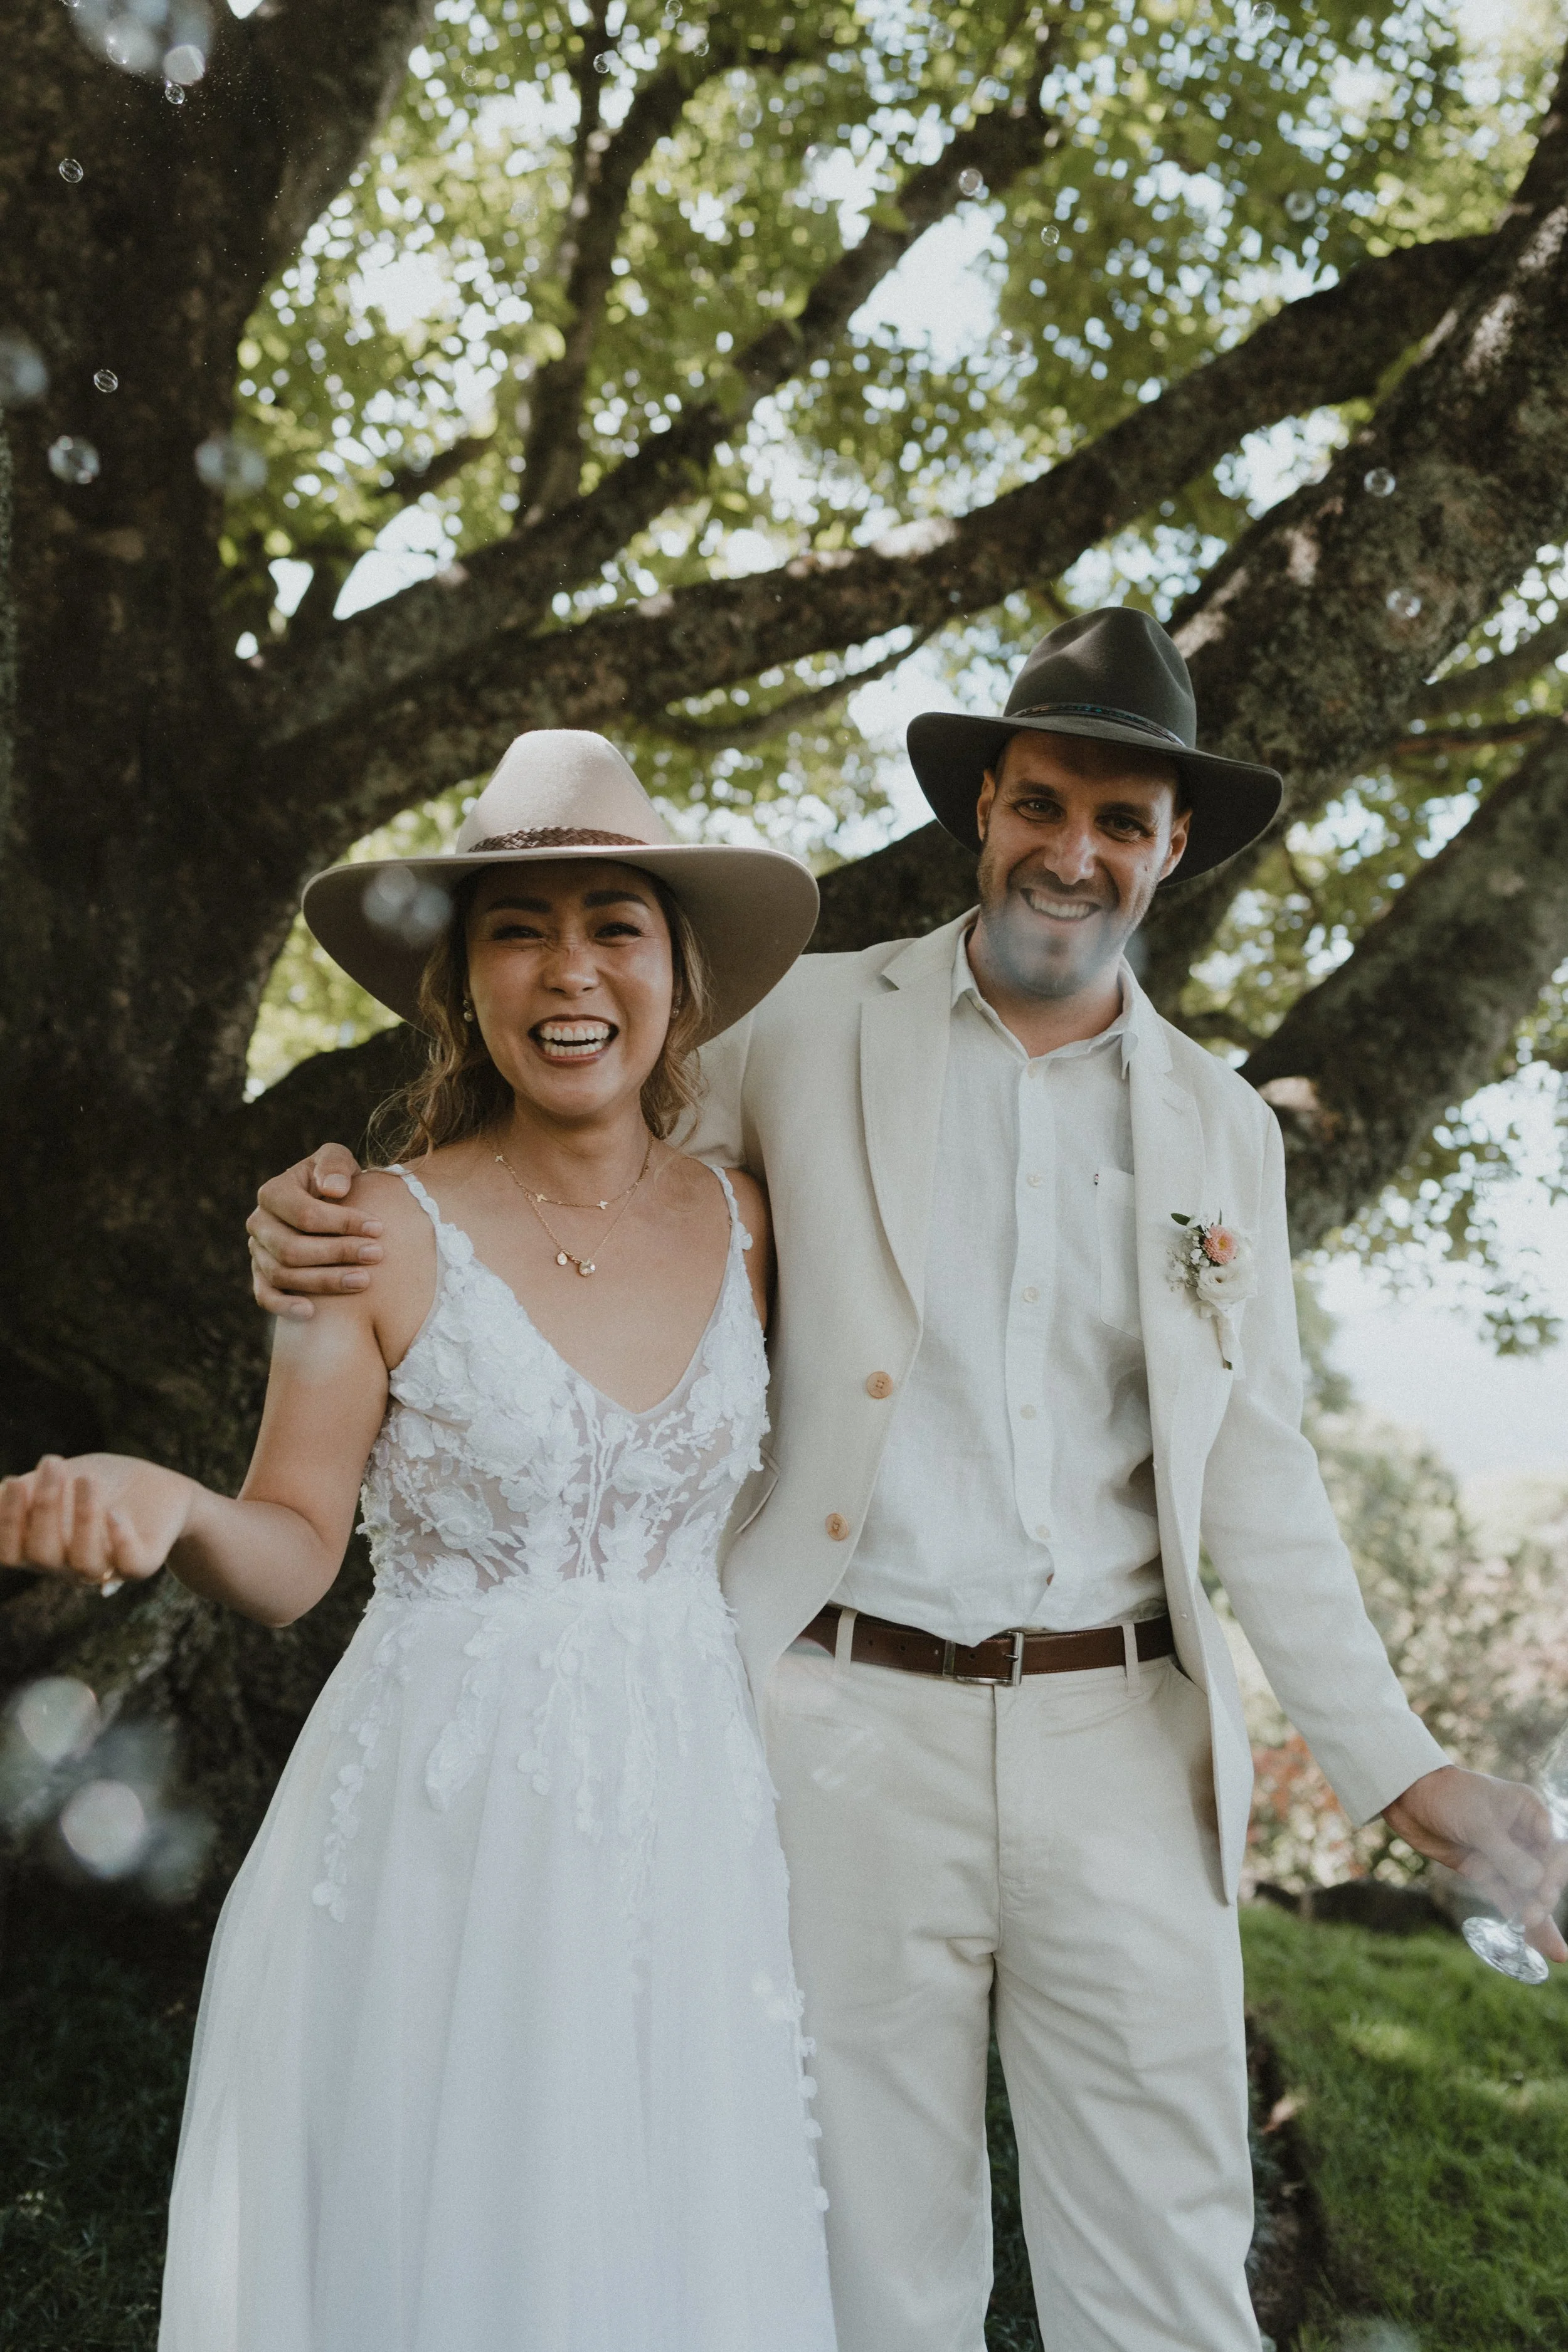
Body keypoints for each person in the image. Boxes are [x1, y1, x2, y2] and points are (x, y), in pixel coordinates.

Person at [249, 611, 1568, 2352]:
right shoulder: (794, 1030)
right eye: (1042, 802)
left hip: (1125, 1742)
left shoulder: (1217, 1127)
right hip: (835, 1724)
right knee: (872, 2269)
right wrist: (338, 1210)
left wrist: (1405, 1772)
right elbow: (567, 1175)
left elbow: (1262, 1484)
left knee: (1171, 2274)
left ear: (1171, 849)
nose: (1071, 850)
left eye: (1119, 820)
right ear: (983, 811)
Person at [0, 733, 837, 2352]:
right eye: (518, 928)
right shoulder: (368, 1223)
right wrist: (171, 1505)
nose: (568, 968)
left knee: (658, 2222)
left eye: (615, 923)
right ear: (460, 984)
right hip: (436, 1818)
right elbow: (298, 1544)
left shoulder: (757, 1221)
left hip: (681, 1813)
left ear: (678, 975)